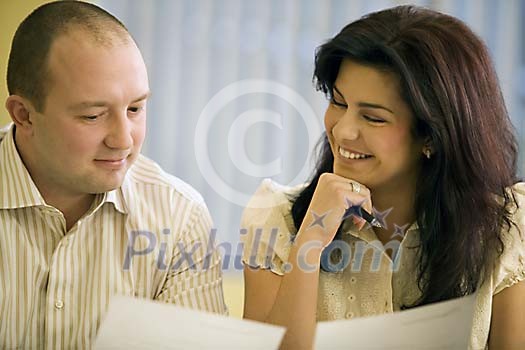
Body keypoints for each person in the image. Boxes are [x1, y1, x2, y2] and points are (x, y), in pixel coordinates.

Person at [241, 5, 525, 350]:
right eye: (339, 102)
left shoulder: (507, 226)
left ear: (432, 136)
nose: (343, 131)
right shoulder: (278, 218)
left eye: (373, 118)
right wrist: (311, 240)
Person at [0, 1, 226, 348]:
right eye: (93, 116)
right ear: (24, 115)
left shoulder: (180, 218)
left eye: (135, 109)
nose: (123, 140)